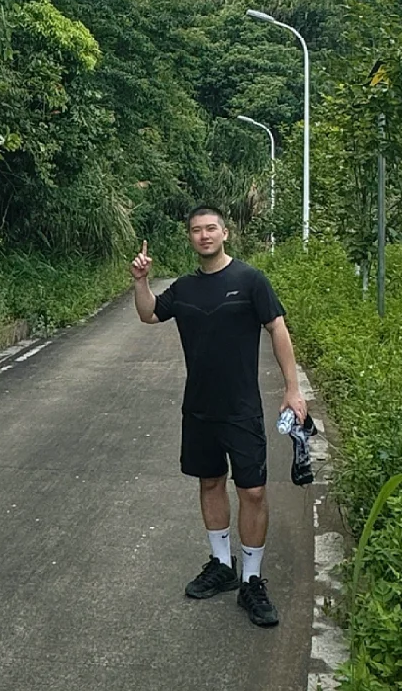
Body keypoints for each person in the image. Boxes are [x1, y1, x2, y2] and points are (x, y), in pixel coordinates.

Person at [130, 207, 306, 629]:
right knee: (209, 482)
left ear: (225, 233)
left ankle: (251, 580)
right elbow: (149, 313)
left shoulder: (250, 280)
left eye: (211, 228)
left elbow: (277, 328)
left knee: (254, 492)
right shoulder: (185, 287)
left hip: (241, 408)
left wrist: (293, 388)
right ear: (190, 238)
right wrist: (139, 281)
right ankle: (221, 564)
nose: (204, 235)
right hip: (199, 409)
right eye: (196, 230)